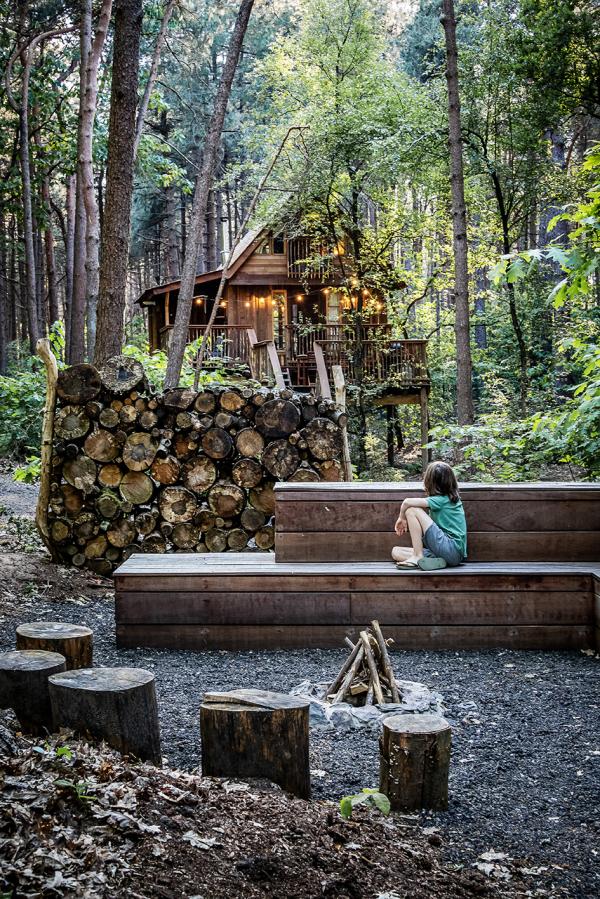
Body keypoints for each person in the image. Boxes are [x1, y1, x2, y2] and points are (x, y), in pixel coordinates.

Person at [392, 461, 467, 570]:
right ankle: (438, 561)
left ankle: (418, 556)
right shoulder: (447, 499)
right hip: (448, 553)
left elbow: (407, 502)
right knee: (396, 552)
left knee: (411, 510)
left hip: (451, 548)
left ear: (430, 482)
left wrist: (401, 517)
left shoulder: (442, 500)